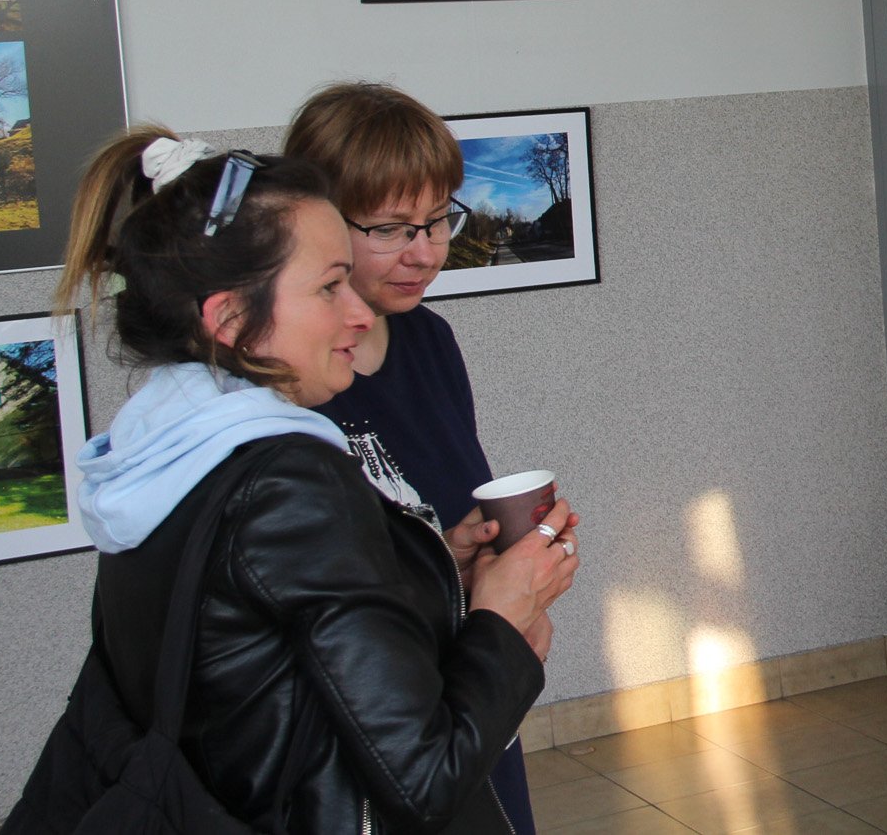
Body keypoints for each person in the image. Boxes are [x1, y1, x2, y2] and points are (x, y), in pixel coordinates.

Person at [51, 127, 579, 832]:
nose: (358, 313)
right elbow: (424, 779)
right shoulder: (288, 481)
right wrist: (503, 626)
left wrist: (428, 573)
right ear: (230, 318)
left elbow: (268, 650)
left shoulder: (162, 450)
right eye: (330, 286)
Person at [283, 81, 563, 835]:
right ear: (317, 223)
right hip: (372, 755)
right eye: (391, 229)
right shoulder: (284, 388)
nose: (427, 251)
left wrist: (483, 566)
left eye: (439, 220)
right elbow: (310, 623)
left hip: (467, 701)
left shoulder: (429, 340)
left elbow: (431, 521)